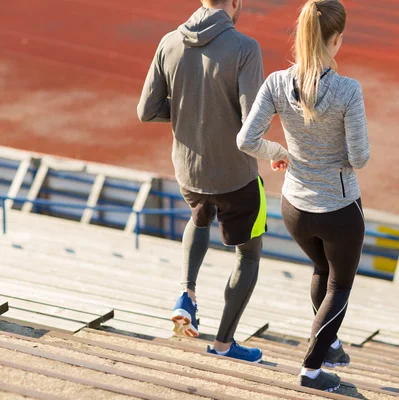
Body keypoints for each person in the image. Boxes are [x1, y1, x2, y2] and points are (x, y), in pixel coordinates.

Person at [237, 0, 369, 391]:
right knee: (339, 286)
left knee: (321, 271)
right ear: (337, 39)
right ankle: (311, 369)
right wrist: (333, 159)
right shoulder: (348, 90)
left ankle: (328, 345)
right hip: (340, 209)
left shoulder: (277, 82)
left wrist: (280, 153)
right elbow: (360, 157)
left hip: (294, 207)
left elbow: (246, 139)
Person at [137, 0, 266, 363]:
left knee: (200, 215)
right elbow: (251, 121)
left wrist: (186, 112)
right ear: (236, 3)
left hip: (189, 172)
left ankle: (186, 294)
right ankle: (224, 343)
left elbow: (146, 110)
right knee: (249, 255)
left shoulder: (168, 42)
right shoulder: (245, 48)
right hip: (236, 177)